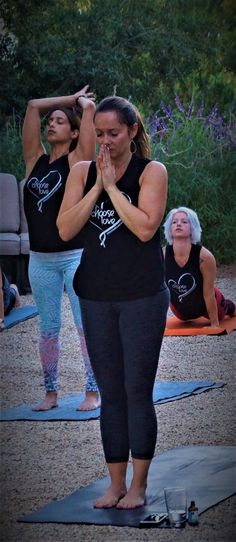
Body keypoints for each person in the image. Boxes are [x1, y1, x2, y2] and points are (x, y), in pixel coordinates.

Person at [57, 96, 169, 509]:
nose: (105, 141)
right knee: (110, 391)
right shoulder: (82, 171)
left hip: (141, 295)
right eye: (99, 134)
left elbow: (144, 228)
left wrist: (114, 189)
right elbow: (65, 228)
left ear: (132, 132)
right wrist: (98, 187)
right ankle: (115, 482)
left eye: (114, 134)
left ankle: (138, 485)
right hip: (97, 295)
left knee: (136, 389)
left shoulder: (151, 171)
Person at [22, 85, 100, 411]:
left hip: (74, 257)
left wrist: (84, 106)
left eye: (59, 121)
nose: (50, 124)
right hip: (40, 260)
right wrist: (68, 100)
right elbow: (31, 105)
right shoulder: (34, 162)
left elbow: (90, 130)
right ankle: (51, 394)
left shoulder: (76, 161)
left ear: (72, 132)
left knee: (85, 326)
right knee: (48, 329)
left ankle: (93, 391)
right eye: (49, 121)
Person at [163, 206, 235, 326]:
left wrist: (215, 325)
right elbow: (160, 292)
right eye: (174, 222)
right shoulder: (163, 255)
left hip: (205, 306)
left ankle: (231, 307)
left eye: (184, 221)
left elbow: (208, 292)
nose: (178, 224)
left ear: (193, 228)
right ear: (169, 228)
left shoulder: (205, 257)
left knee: (224, 308)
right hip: (180, 311)